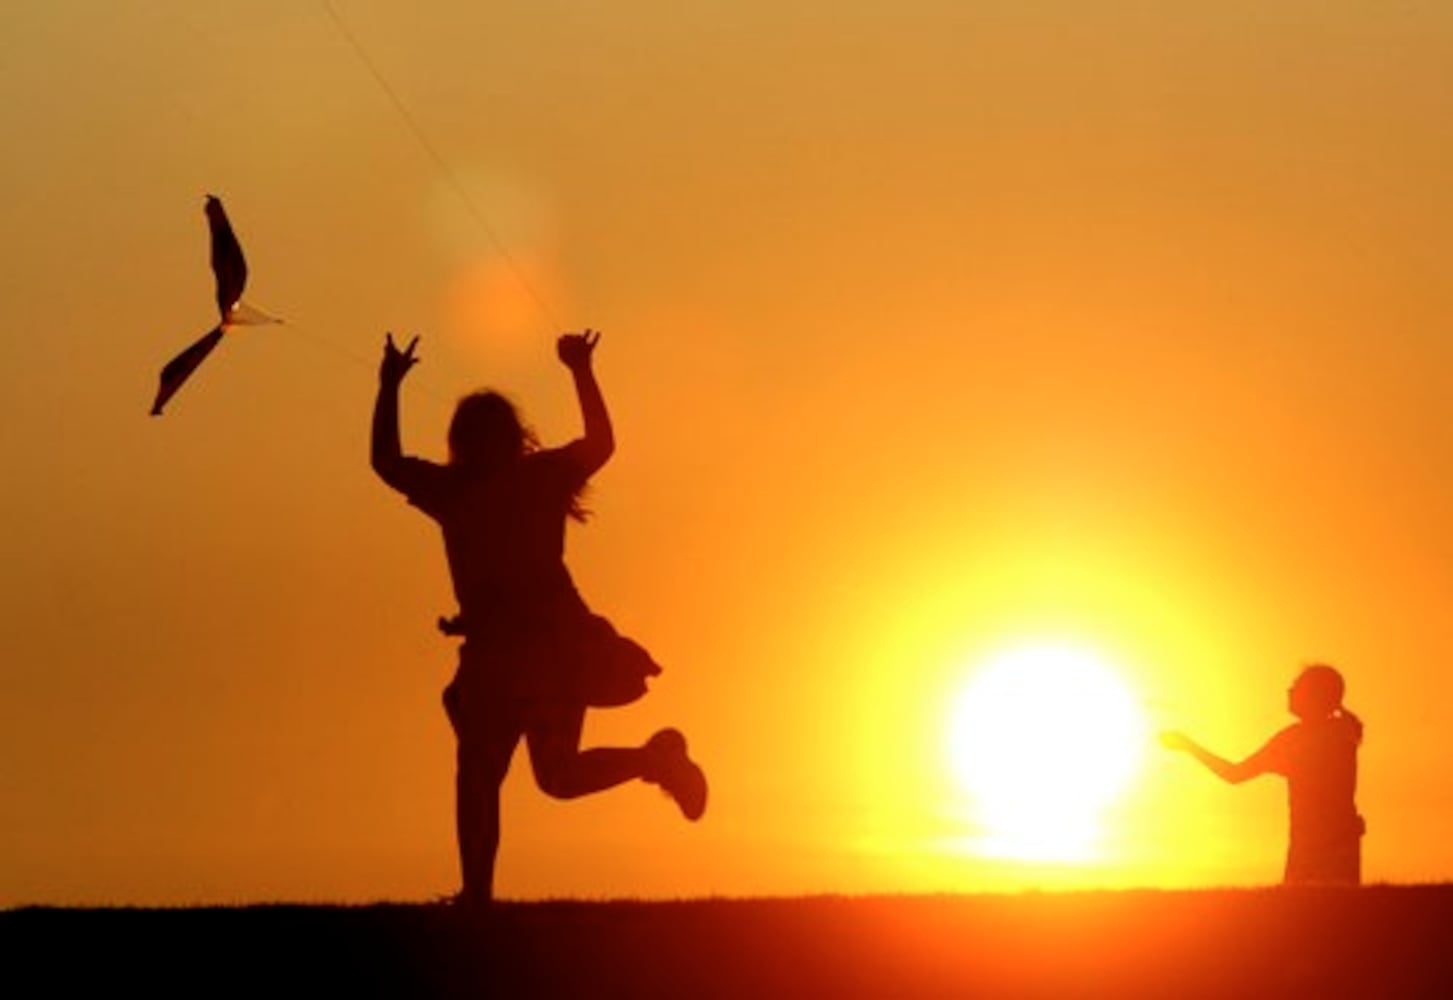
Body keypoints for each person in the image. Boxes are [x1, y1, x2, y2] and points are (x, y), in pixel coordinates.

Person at [372, 329, 706, 908]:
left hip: (550, 653)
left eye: (487, 439)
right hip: (506, 656)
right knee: (499, 775)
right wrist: (389, 387)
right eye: (472, 441)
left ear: (506, 440)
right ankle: (479, 893)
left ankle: (654, 762)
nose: (480, 451)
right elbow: (386, 463)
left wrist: (582, 370)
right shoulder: (459, 488)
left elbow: (600, 444)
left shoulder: (526, 479)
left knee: (542, 777)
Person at [1161, 663, 1365, 885]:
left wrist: (1189, 746)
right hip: (1342, 842)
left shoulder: (1294, 741)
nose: (1290, 691)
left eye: (1297, 687)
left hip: (1311, 846)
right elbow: (1353, 726)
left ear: (1314, 696)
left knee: (1305, 913)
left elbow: (1234, 774)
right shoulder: (1343, 731)